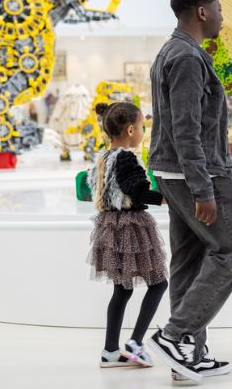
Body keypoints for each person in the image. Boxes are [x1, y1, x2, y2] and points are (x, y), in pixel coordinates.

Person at [145, 0, 232, 382]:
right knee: (231, 251)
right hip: (200, 173)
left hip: (174, 173)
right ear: (203, 12)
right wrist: (203, 188)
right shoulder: (187, 57)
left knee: (189, 259)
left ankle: (187, 356)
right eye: (219, 8)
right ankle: (174, 336)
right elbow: (185, 128)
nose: (222, 16)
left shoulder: (171, 52)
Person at [86, 101, 167, 370]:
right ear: (131, 130)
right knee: (158, 283)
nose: (144, 132)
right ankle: (136, 342)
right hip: (130, 226)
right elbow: (138, 190)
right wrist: (168, 199)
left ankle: (110, 351)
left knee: (122, 289)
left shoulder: (103, 157)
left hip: (109, 225)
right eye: (143, 127)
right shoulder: (126, 158)